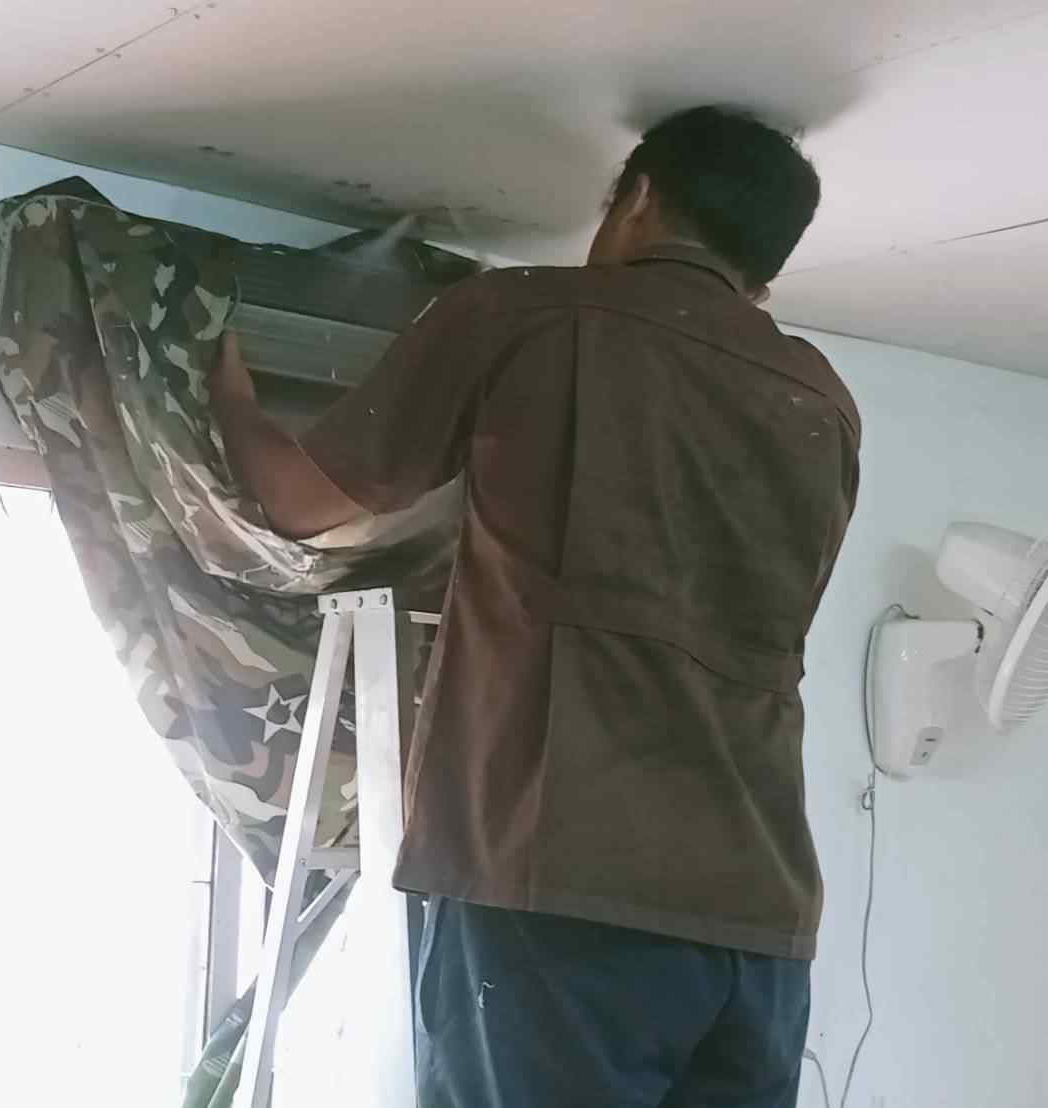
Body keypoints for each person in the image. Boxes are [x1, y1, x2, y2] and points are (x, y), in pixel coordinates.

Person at [209, 105, 860, 1108]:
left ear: (637, 199)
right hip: (758, 915)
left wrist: (229, 399)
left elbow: (299, 503)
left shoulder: (525, 314)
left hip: (554, 887)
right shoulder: (821, 397)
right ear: (761, 271)